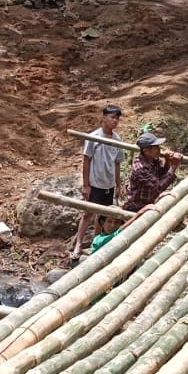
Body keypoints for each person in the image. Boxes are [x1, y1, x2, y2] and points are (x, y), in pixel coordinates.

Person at [71, 104, 126, 259]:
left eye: (117, 118)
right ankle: (78, 244)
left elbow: (117, 163)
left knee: (102, 216)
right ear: (104, 117)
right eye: (112, 117)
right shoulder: (94, 137)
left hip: (109, 184)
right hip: (95, 184)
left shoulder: (117, 140)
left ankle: (96, 242)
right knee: (88, 213)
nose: (115, 121)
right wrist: (86, 184)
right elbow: (86, 160)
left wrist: (118, 184)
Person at [123, 132, 183, 212]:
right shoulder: (141, 168)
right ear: (146, 151)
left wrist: (168, 161)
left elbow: (162, 175)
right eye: (156, 147)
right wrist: (173, 166)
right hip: (137, 207)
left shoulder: (152, 161)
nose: (159, 149)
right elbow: (159, 187)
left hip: (149, 204)